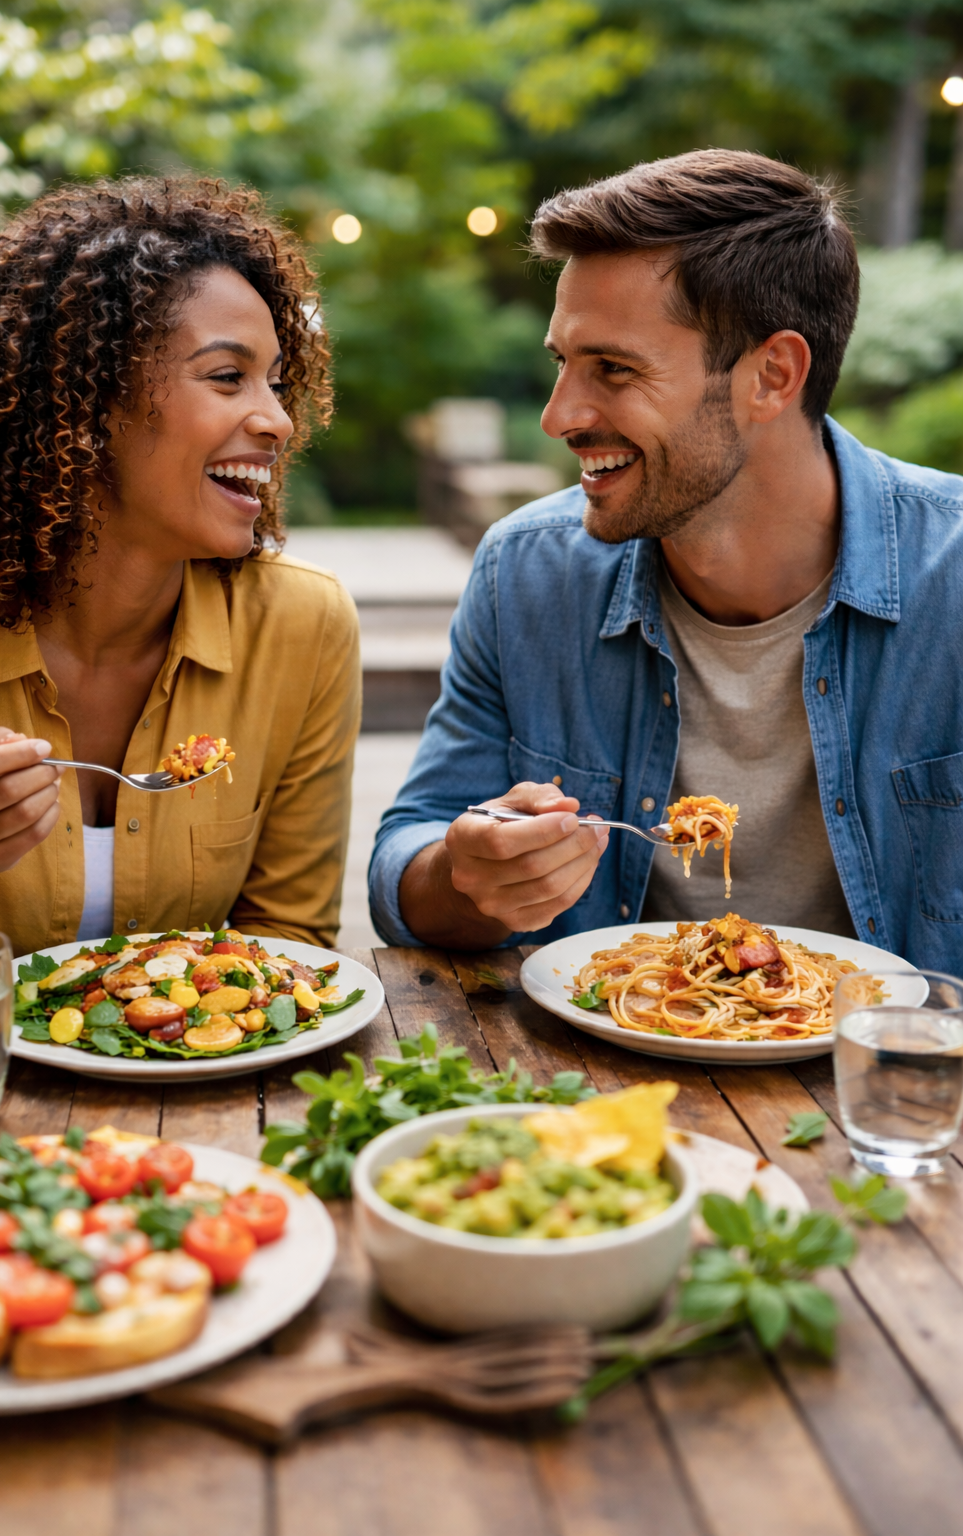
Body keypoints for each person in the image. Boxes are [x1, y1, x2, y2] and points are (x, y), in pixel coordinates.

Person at [369, 149, 963, 970]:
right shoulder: (527, 575)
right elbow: (408, 862)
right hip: (606, 1078)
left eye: (613, 369)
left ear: (773, 375)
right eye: (562, 364)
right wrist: (469, 877)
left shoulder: (953, 575)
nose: (558, 415)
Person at [0, 176, 360, 956]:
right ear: (84, 403)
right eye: (228, 376)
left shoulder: (300, 628)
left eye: (277, 381)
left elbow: (292, 944)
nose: (276, 419)